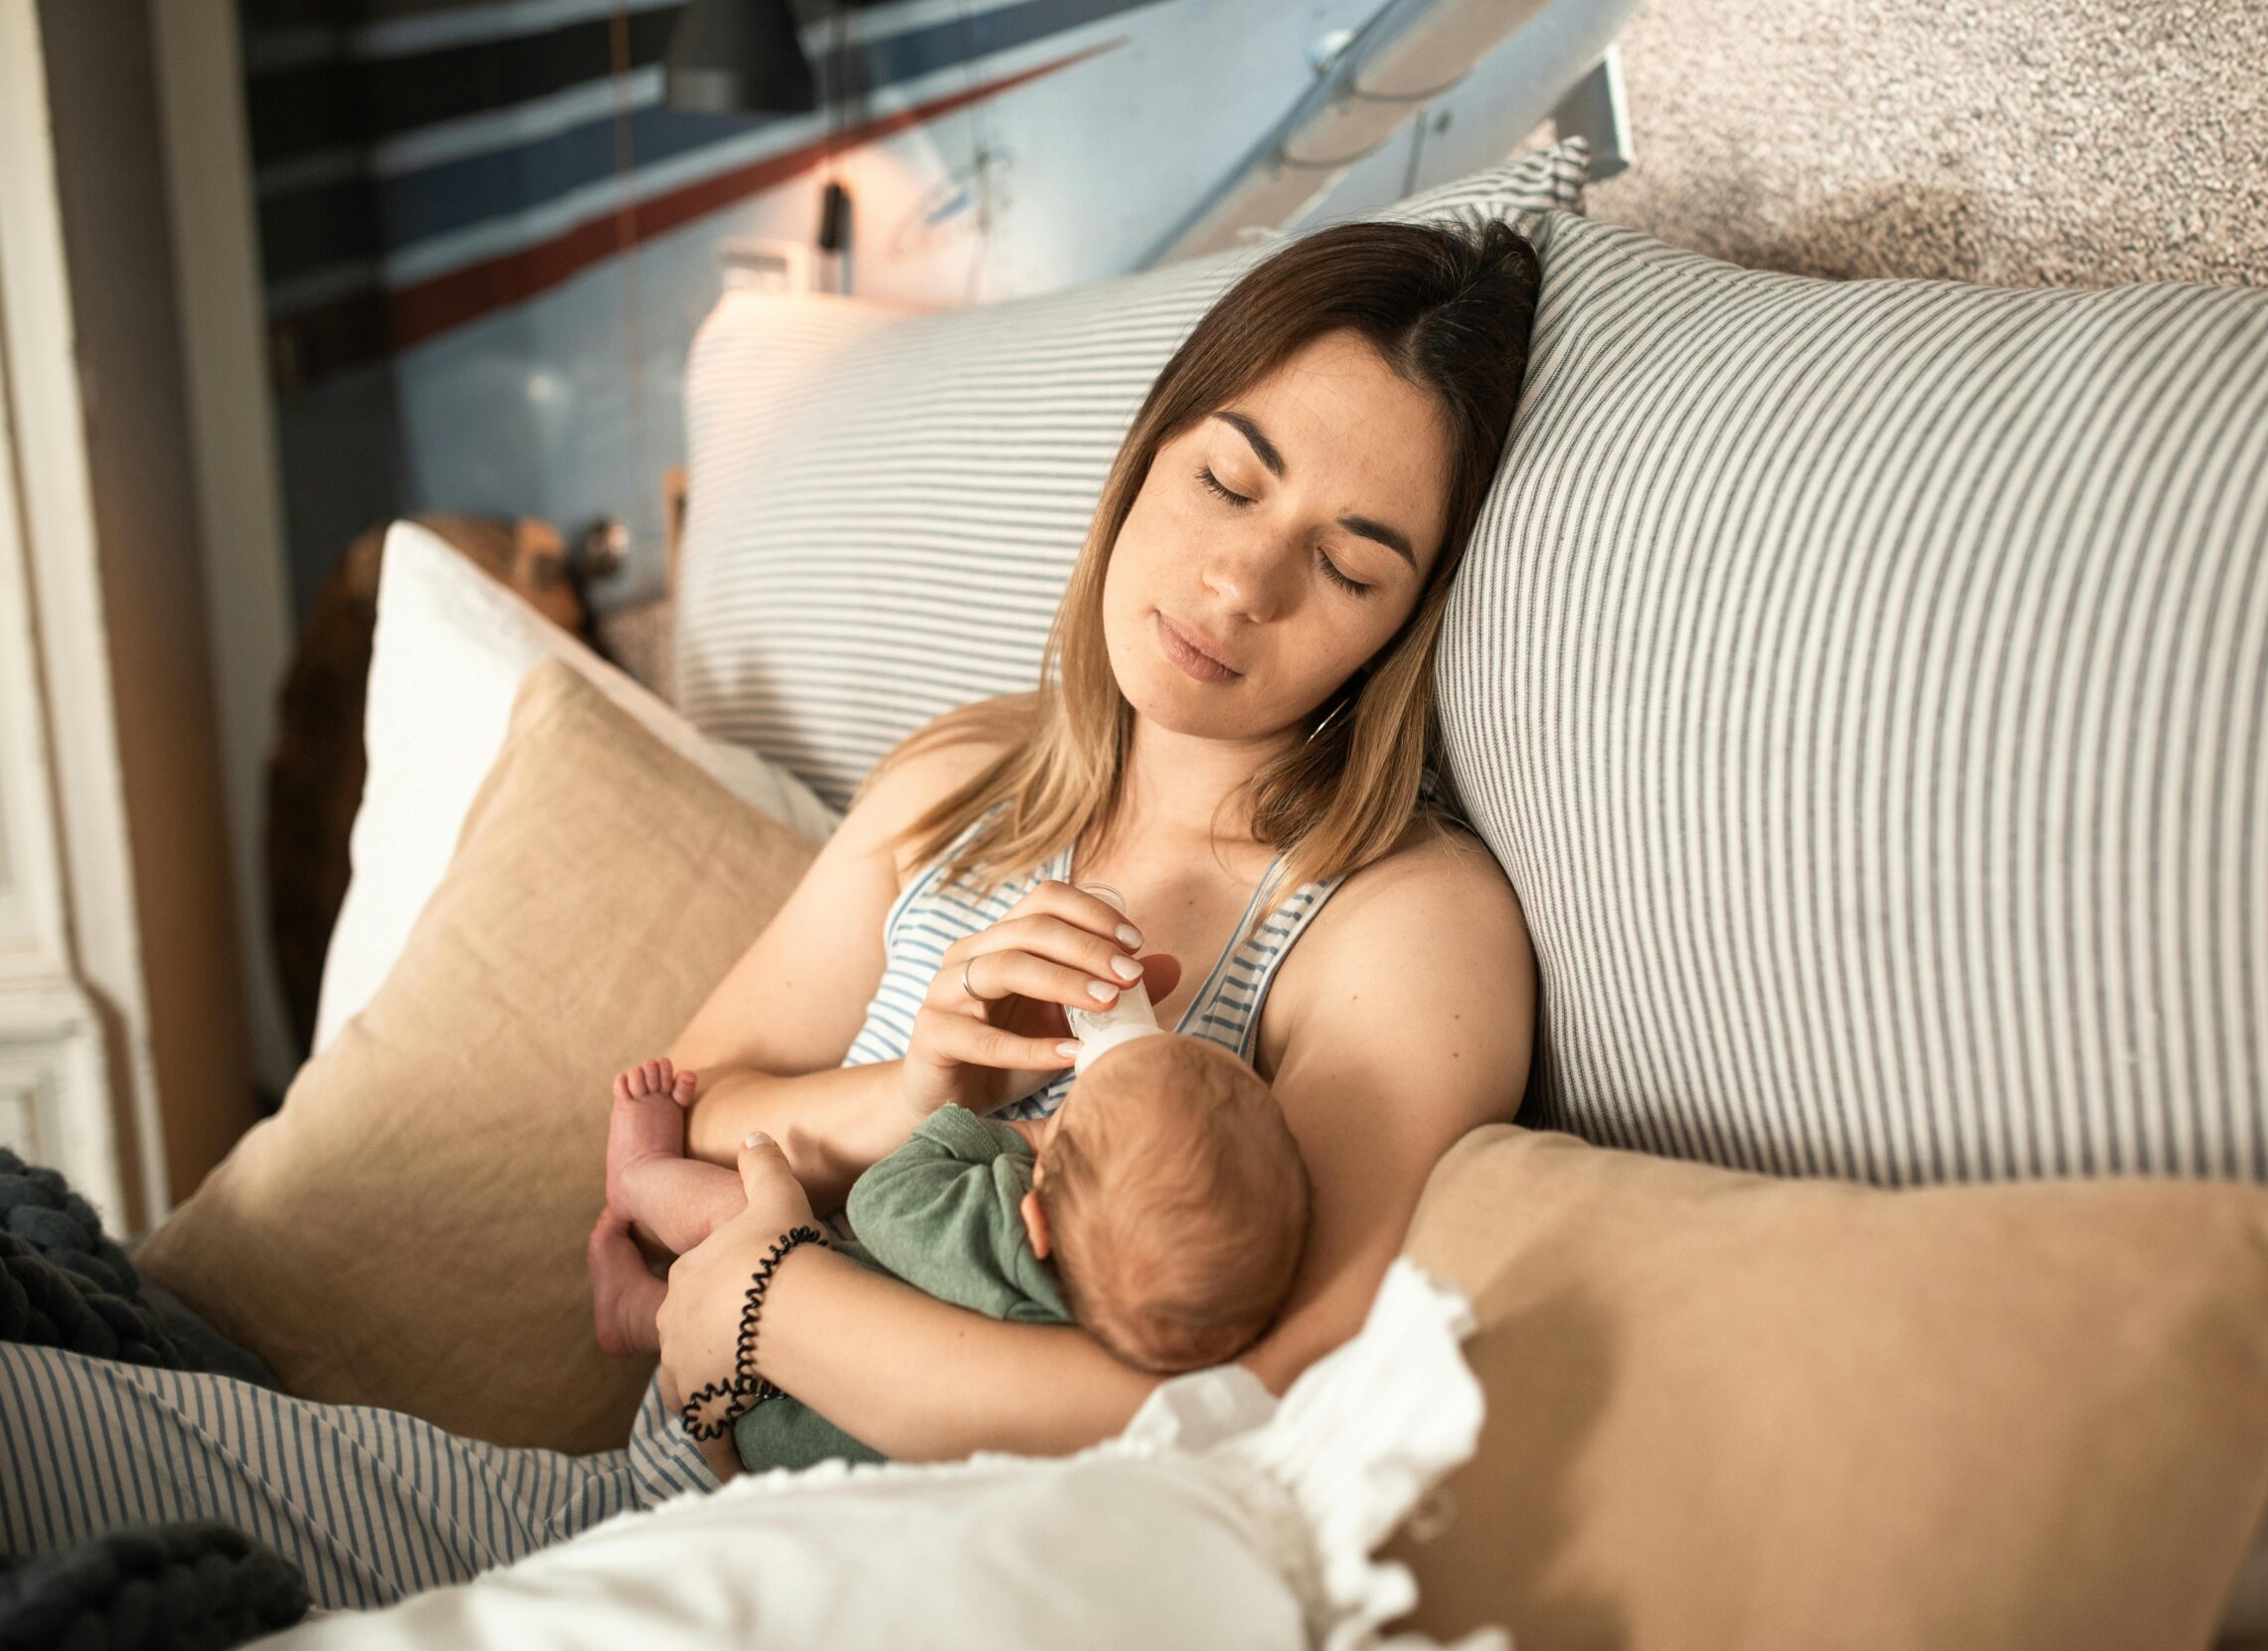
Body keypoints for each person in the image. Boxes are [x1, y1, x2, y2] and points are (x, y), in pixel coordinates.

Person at [0, 211, 1544, 1608]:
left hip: (834, 1573)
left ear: (1403, 626)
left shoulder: (1399, 920)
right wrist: (920, 1088)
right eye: (1227, 475)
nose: (1243, 581)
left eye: (1348, 565)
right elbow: (691, 1102)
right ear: (1147, 451)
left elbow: (1260, 1401)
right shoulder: (963, 777)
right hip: (616, 1508)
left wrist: (761, 1300)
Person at [589, 1033, 1311, 1474]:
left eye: (1063, 1119)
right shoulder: (1133, 1333)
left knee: (746, 1219)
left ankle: (638, 1172)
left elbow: (882, 1200)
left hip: (783, 1410)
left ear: (1037, 1218)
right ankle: (636, 1309)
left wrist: (1013, 1139)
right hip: (817, 1457)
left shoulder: (997, 1241)